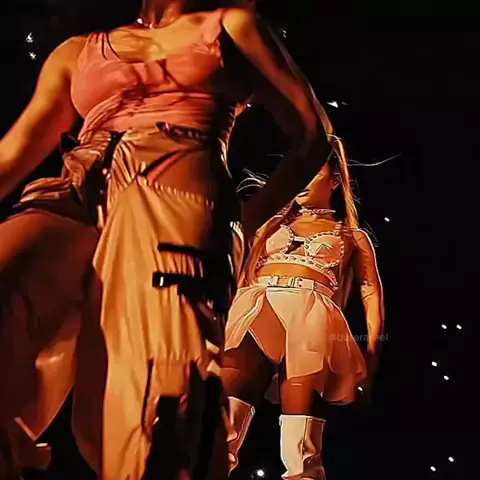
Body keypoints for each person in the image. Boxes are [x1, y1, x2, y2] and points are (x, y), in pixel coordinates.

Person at [0, 0, 343, 478]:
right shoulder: (78, 51)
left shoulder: (230, 27)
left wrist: (244, 221)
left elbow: (312, 133)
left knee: (157, 405)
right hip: (75, 187)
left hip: (177, 187)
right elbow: (15, 150)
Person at [221, 153, 385, 479]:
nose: (301, 180)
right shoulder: (268, 223)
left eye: (312, 173)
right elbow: (236, 268)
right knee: (221, 427)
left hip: (311, 322)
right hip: (257, 307)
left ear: (335, 181)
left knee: (301, 446)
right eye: (299, 172)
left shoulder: (351, 235)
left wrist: (372, 354)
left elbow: (371, 294)